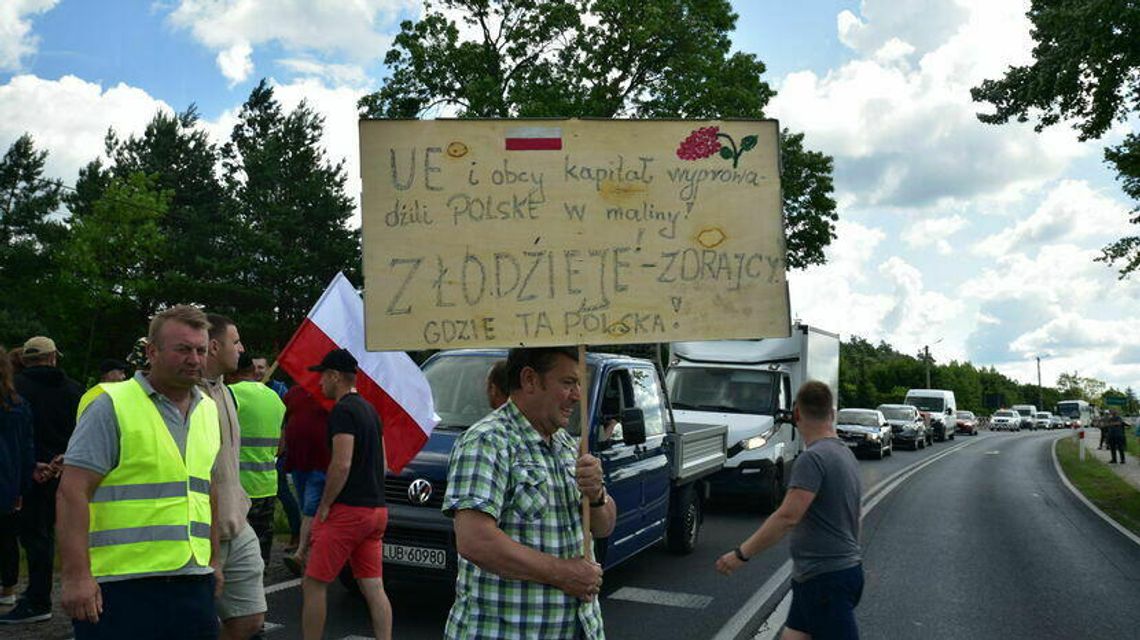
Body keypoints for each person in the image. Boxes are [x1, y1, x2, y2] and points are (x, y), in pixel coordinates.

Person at [56, 305, 223, 639]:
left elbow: (207, 491)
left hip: (192, 581)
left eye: (200, 350)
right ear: (152, 352)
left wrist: (215, 561)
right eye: (182, 349)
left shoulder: (207, 409)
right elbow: (72, 491)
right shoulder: (111, 405)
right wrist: (76, 576)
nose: (194, 359)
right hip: (121, 587)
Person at [444, 347, 616, 640]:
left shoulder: (566, 444)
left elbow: (603, 526)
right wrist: (563, 573)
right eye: (568, 383)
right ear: (530, 380)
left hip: (578, 628)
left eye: (578, 384)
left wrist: (597, 494)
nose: (577, 395)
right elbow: (475, 541)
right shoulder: (488, 441)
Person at [716, 381, 863, 640]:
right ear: (832, 413)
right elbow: (854, 515)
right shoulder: (844, 454)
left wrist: (741, 554)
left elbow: (787, 517)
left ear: (796, 414)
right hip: (824, 575)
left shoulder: (813, 458)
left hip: (825, 579)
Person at [301, 348, 391, 640]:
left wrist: (325, 506)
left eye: (322, 377)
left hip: (348, 510)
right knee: (373, 586)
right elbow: (385, 462)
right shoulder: (369, 410)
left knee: (314, 583)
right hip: (376, 510)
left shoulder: (343, 411)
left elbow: (341, 463)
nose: (319, 384)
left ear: (335, 376)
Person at [0, 336, 82, 625]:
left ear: (26, 359)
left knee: (35, 538)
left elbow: (18, 438)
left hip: (31, 473)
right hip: (71, 472)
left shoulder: (15, 390)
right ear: (53, 357)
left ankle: (37, 599)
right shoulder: (75, 390)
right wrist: (64, 458)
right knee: (75, 536)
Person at [200, 314, 265, 639]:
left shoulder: (225, 390)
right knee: (193, 623)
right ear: (213, 346)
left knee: (250, 619)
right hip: (199, 533)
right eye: (235, 341)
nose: (241, 349)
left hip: (237, 522)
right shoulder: (187, 395)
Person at [228, 353, 286, 565]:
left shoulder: (229, 395)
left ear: (231, 373)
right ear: (253, 371)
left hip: (239, 489)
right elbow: (282, 445)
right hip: (268, 485)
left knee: (235, 557)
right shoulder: (275, 398)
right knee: (260, 556)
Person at [281, 385, 330, 574]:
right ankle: (312, 552)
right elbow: (285, 422)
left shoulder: (329, 392)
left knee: (310, 507)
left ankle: (302, 554)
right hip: (298, 462)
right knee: (307, 508)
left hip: (322, 461)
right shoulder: (293, 393)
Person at [0, 347, 34, 607]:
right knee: (7, 537)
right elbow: (26, 450)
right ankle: (8, 588)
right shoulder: (18, 406)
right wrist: (22, 488)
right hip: (8, 482)